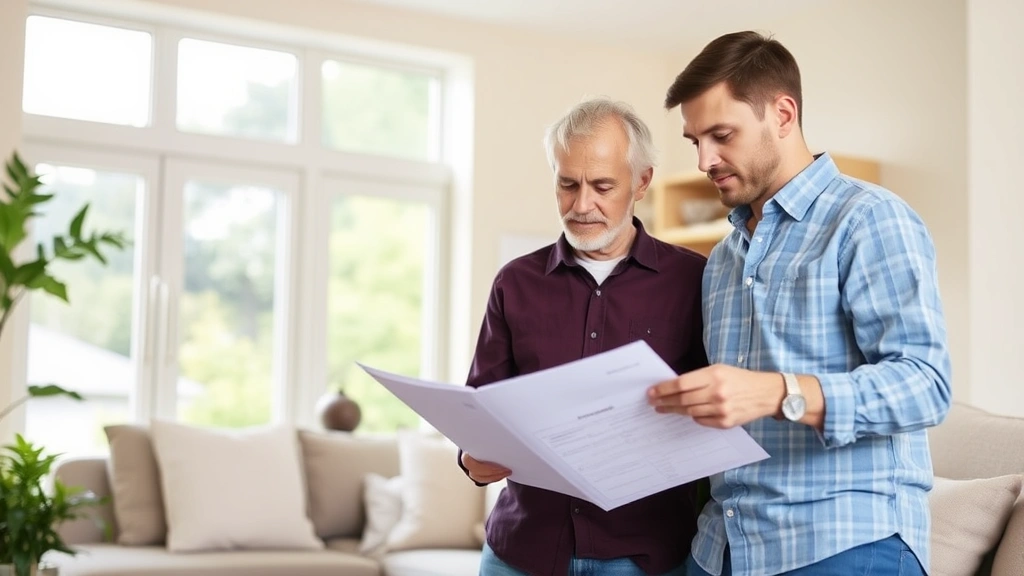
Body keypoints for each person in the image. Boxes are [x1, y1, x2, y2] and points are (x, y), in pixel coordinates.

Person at [648, 31, 953, 576]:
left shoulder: (868, 219)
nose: (705, 159)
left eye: (721, 135)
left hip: (843, 541)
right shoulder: (721, 258)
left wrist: (777, 391)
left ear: (783, 114)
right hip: (720, 547)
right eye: (695, 141)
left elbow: (926, 386)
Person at [459, 98, 708, 576]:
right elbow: (479, 402)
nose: (581, 205)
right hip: (521, 551)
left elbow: (713, 412)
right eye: (567, 184)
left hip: (644, 555)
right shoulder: (515, 282)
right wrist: (470, 456)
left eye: (602, 186)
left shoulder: (694, 280)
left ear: (642, 182)